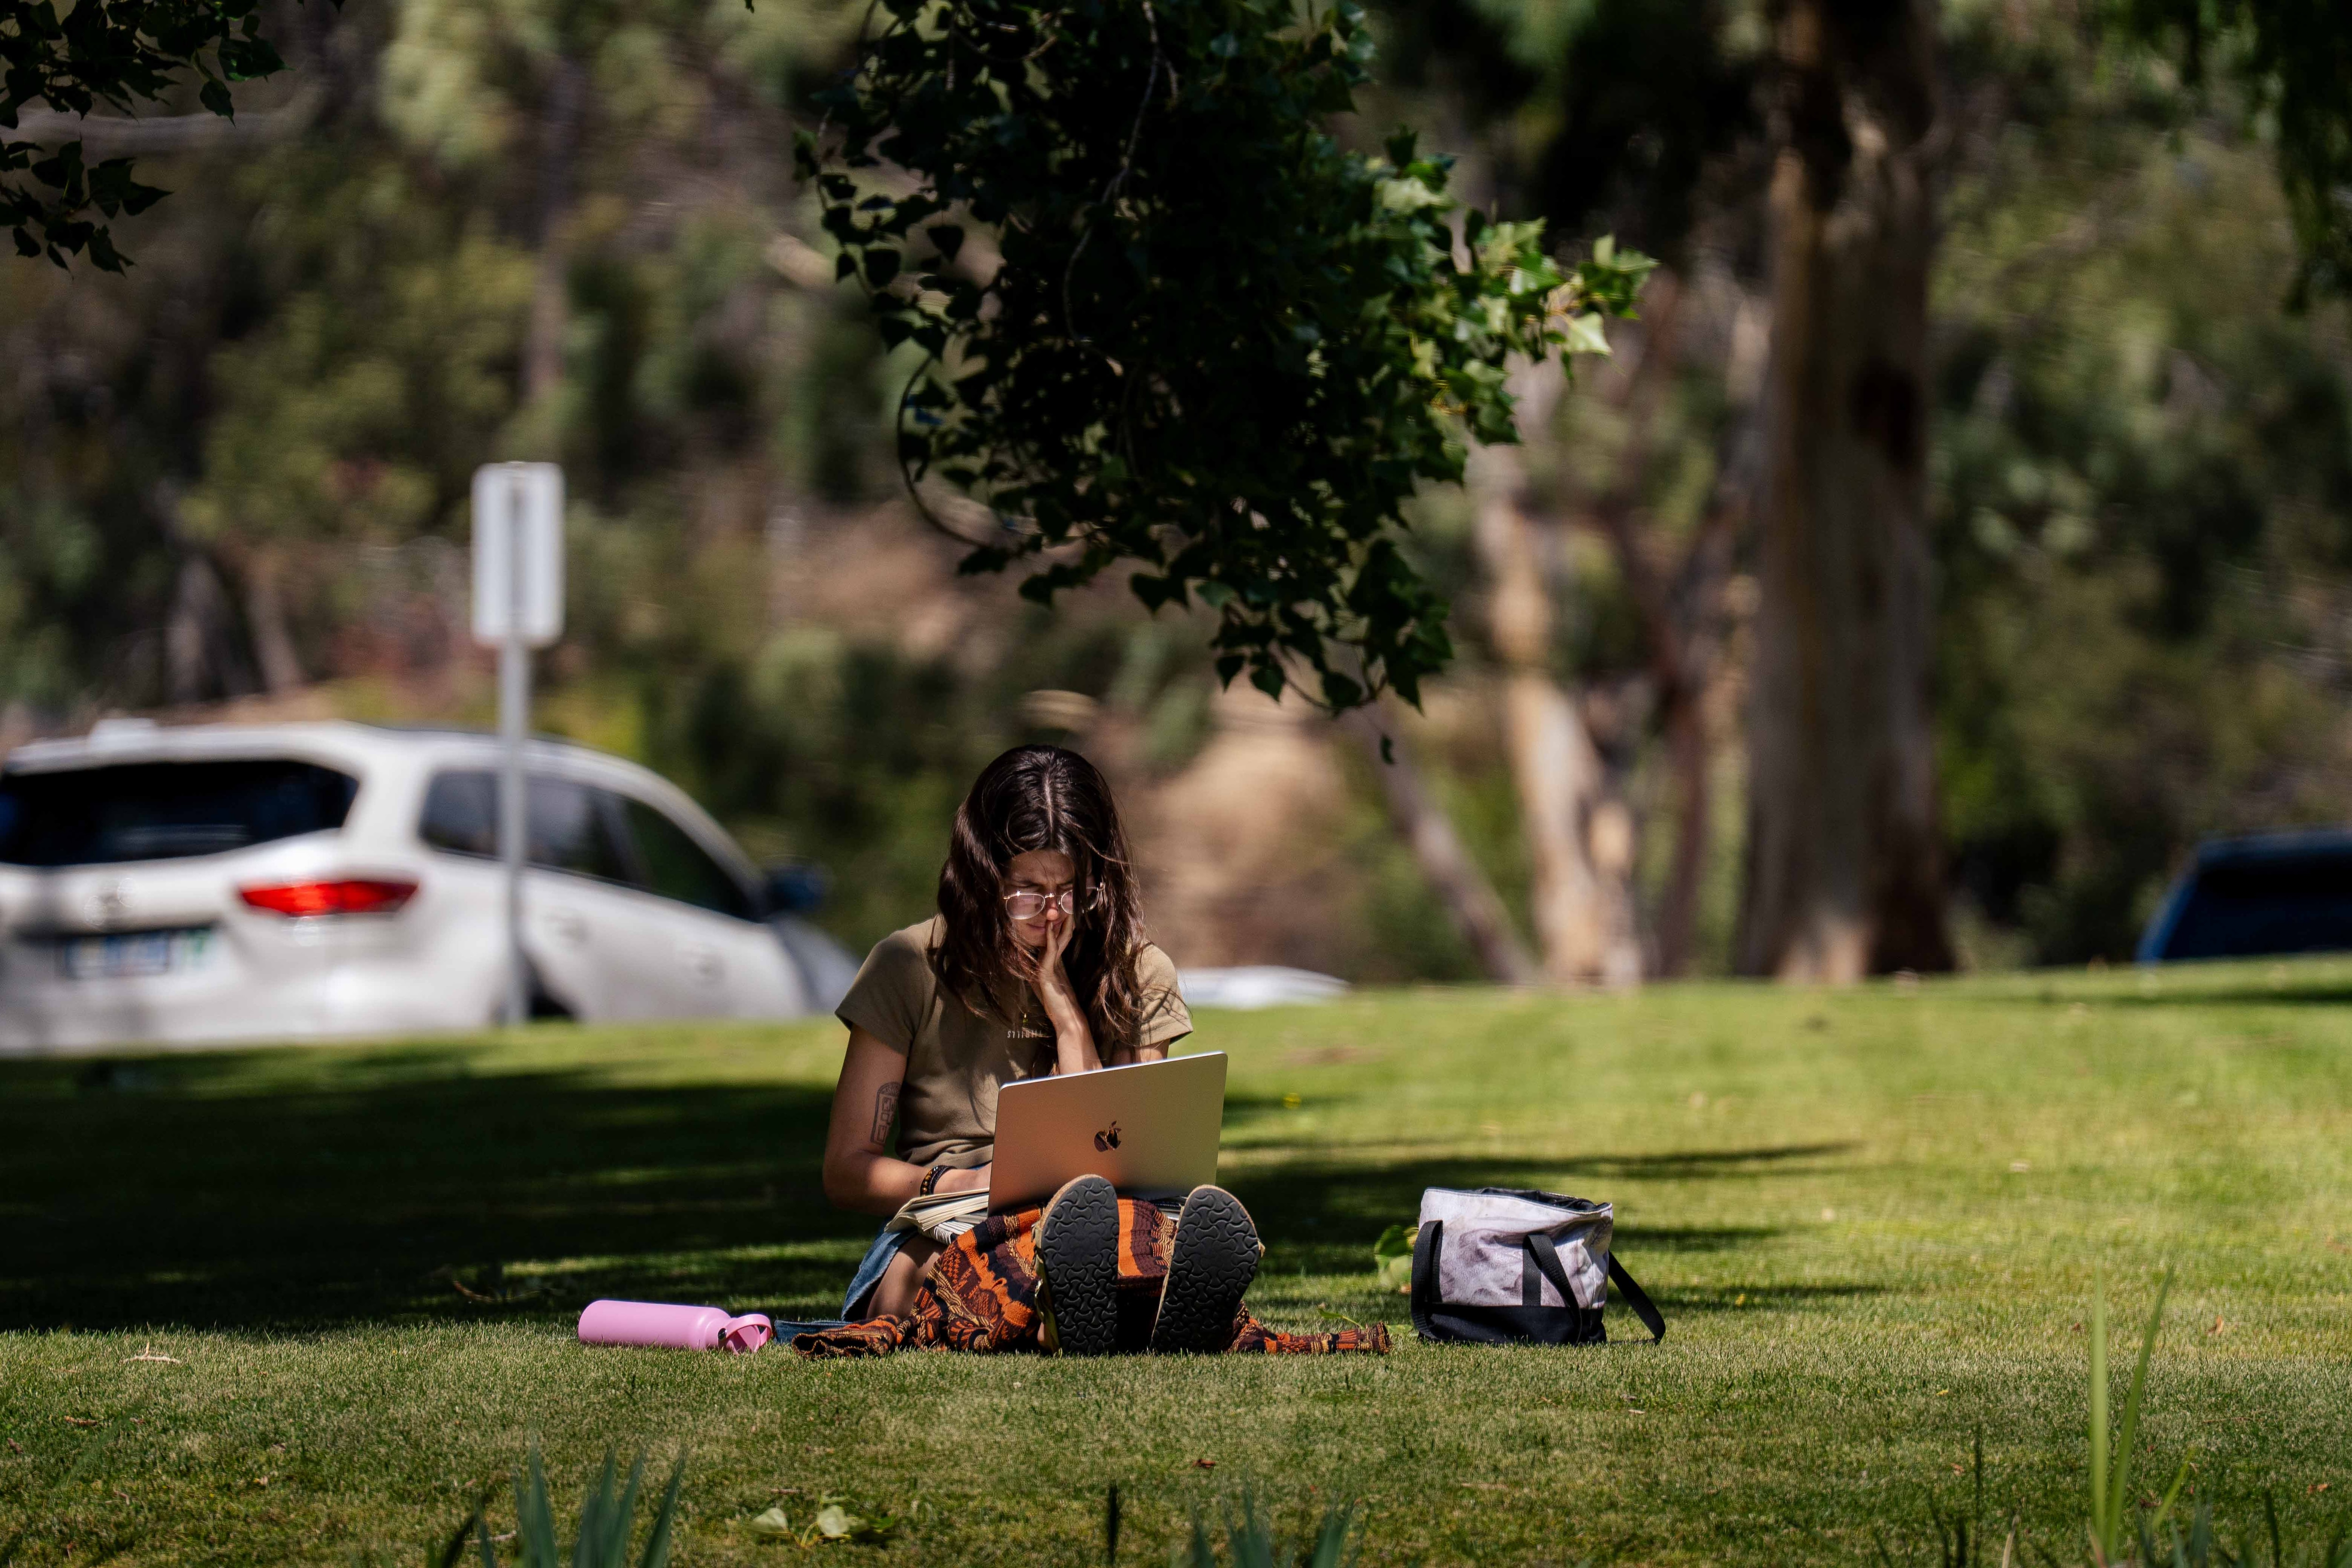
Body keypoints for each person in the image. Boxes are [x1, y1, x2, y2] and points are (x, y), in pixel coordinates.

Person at [820, 743, 1194, 1322]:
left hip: (1092, 1220)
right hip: (947, 1221)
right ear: (980, 874)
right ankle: (1086, 1306)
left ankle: (1075, 1301)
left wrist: (1066, 1011)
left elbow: (1129, 1161)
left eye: (1069, 892)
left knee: (1118, 1226)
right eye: (1027, 891)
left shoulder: (1137, 973)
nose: (1050, 915)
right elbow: (846, 1170)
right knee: (980, 1267)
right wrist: (967, 1182)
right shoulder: (907, 966)